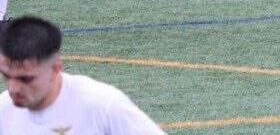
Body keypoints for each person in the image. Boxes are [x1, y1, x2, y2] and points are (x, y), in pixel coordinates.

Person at [0, 16, 165, 133]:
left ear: (55, 69)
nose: (13, 88)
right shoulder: (3, 109)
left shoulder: (102, 105)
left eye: (26, 79)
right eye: (6, 76)